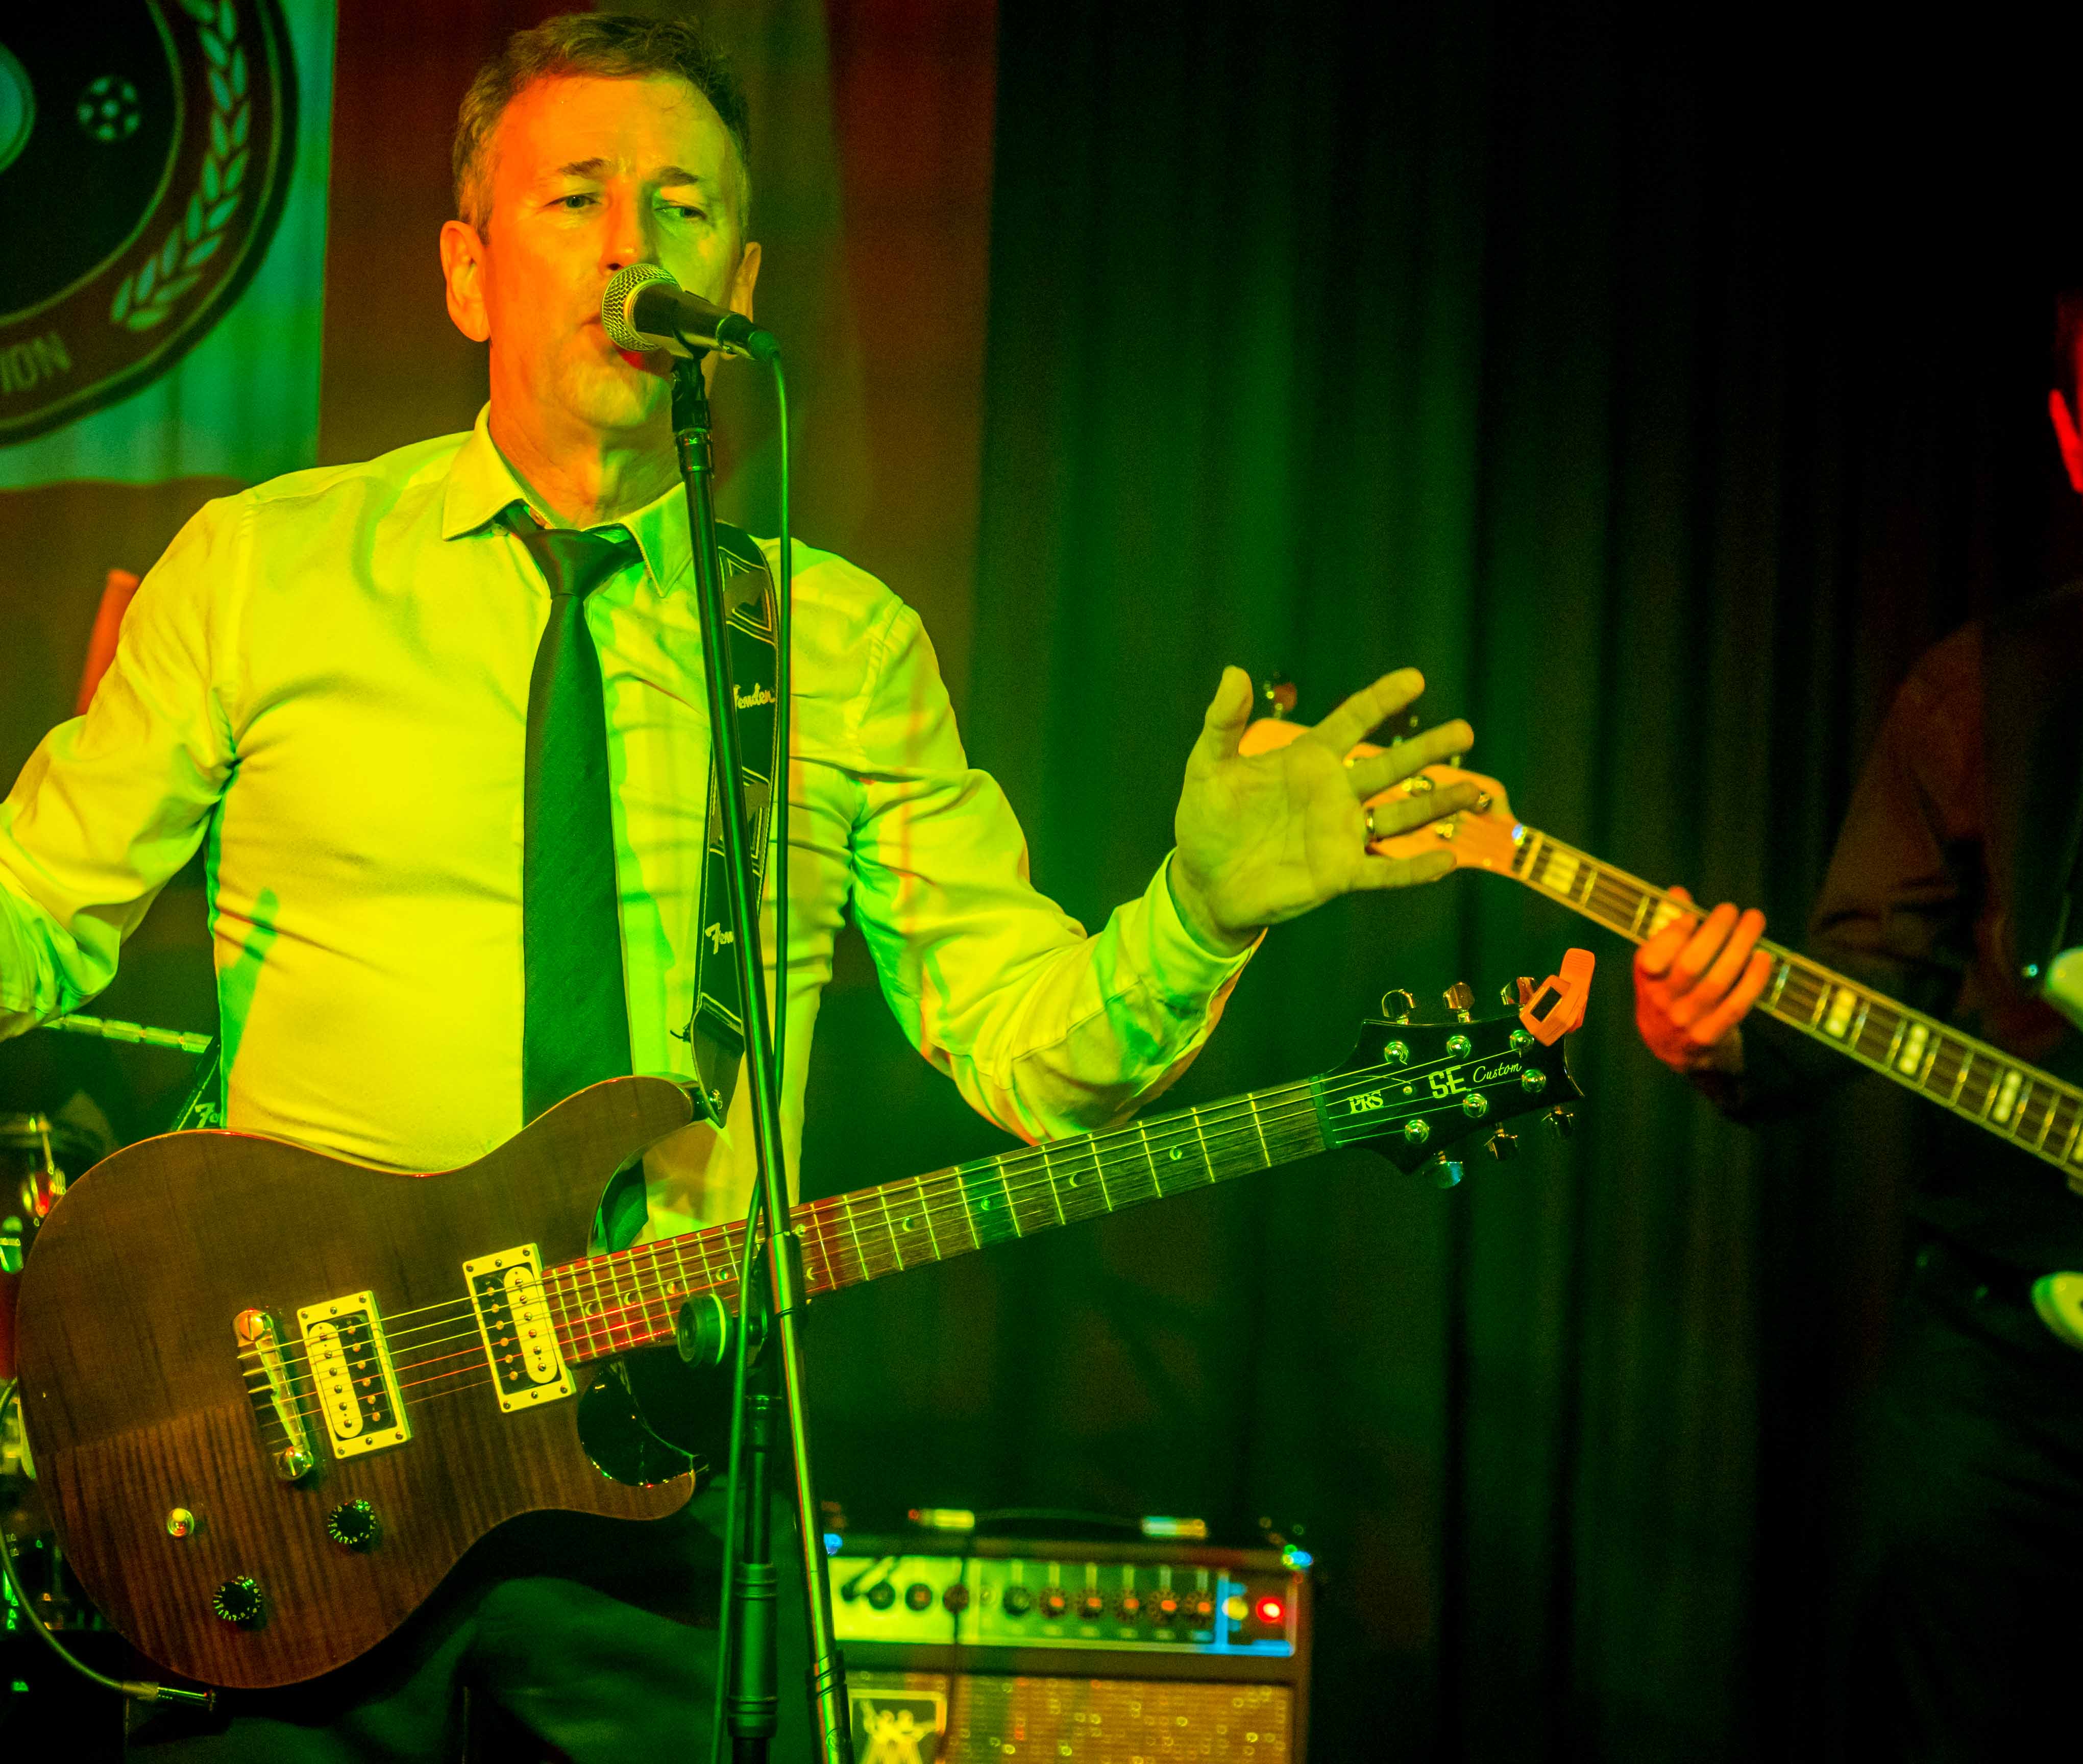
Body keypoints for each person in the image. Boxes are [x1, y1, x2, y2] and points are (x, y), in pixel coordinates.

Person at [0, 16, 1479, 1758]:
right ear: (469, 273)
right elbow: (39, 908)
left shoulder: (836, 645)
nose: (634, 244)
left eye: (685, 207)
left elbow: (1030, 1048)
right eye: (577, 197)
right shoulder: (265, 570)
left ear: (740, 285)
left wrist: (1203, 907)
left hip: (661, 1466)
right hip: (289, 1456)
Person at [1628, 265, 2083, 1757]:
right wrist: (1719, 1032)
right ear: (2072, 443)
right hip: (2014, 1349)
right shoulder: (1976, 693)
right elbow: (1858, 985)